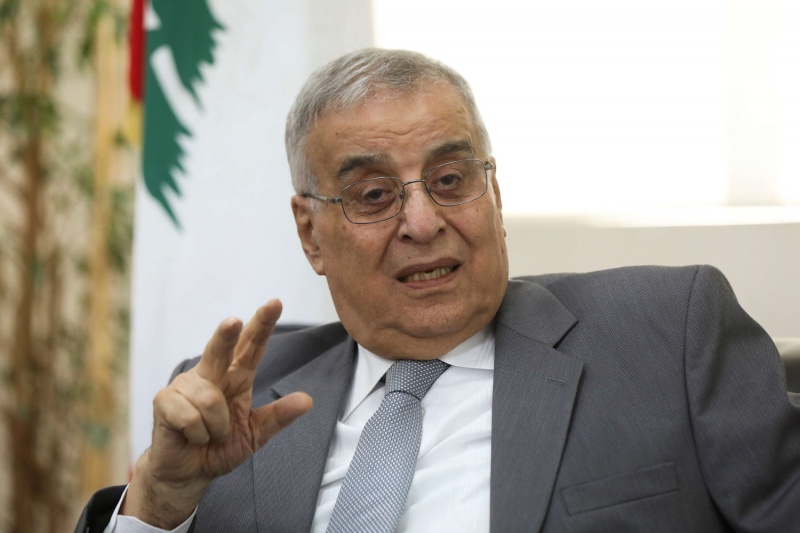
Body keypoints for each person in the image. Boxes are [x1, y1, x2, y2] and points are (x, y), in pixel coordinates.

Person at [77, 48, 800, 533]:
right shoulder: (234, 406)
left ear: (495, 193)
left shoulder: (665, 334)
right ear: (310, 232)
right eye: (373, 195)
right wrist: (159, 506)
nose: (423, 222)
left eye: (451, 180)